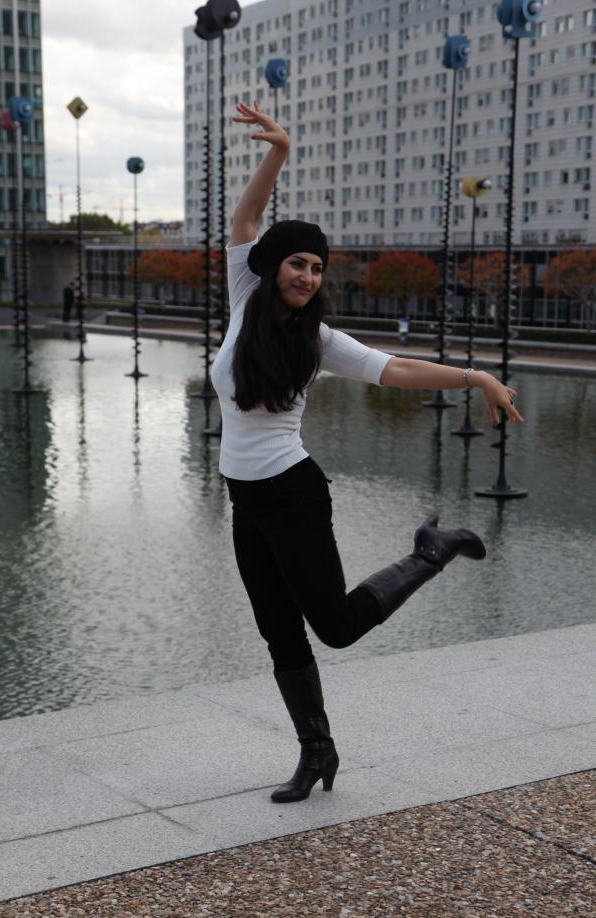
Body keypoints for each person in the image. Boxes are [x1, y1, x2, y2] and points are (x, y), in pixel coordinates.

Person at [211, 102, 524, 805]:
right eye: (298, 263)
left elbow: (397, 369)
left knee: (338, 627)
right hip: (246, 500)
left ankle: (430, 551)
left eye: (317, 268)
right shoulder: (243, 297)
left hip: (293, 494)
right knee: (278, 631)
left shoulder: (319, 340)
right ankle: (316, 751)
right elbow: (245, 219)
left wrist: (474, 376)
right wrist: (279, 150)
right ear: (273, 267)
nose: (308, 276)